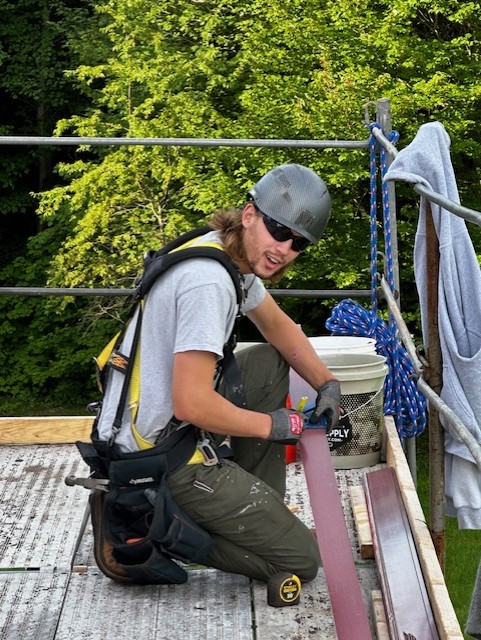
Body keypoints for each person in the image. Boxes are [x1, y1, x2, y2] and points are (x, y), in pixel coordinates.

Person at [96, 163, 341, 583]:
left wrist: (327, 382)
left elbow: (276, 326)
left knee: (265, 361)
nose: (284, 248)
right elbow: (191, 402)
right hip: (160, 457)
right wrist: (271, 425)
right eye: (279, 231)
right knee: (301, 561)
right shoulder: (209, 283)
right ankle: (154, 529)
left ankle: (255, 505)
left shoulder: (225, 253)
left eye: (298, 243)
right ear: (250, 214)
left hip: (164, 428)